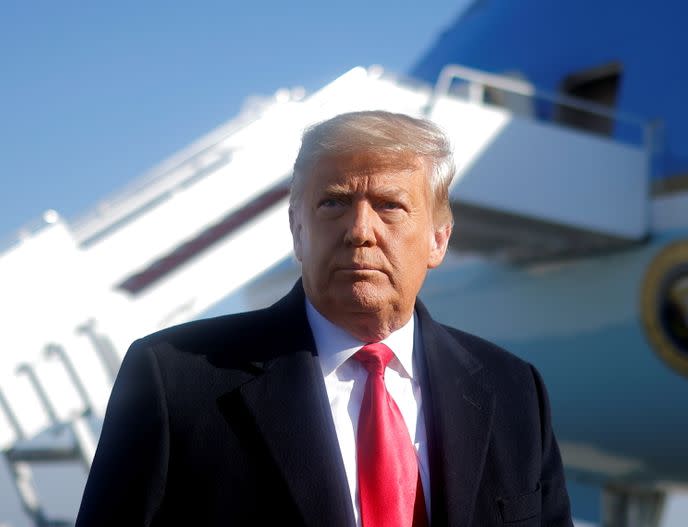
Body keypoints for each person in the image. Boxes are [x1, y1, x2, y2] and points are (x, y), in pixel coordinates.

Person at [76, 111, 573, 526]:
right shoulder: (175, 379)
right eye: (333, 202)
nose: (360, 230)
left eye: (389, 205)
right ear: (297, 229)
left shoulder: (514, 390)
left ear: (438, 239)